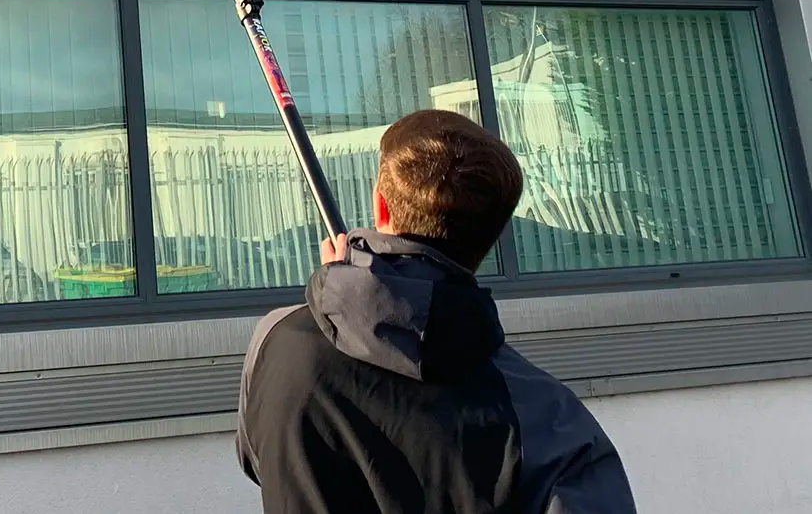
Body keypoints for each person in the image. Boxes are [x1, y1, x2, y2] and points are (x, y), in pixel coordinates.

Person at [236, 110, 636, 514]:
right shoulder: (552, 427)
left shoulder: (275, 342)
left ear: (381, 206)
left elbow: (260, 459)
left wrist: (342, 294)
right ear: (493, 236)